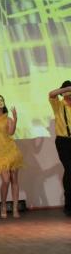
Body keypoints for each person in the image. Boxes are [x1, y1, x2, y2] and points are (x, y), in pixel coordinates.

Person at [48, 80, 71, 216]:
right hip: (63, 142)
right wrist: (65, 89)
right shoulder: (58, 105)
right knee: (69, 169)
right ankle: (69, 205)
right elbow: (51, 94)